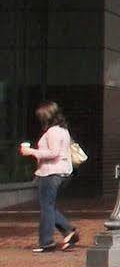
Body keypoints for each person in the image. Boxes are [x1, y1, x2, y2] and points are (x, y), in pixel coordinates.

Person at [17, 102, 79, 253]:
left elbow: (53, 153)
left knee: (46, 207)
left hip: (51, 172)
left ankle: (46, 242)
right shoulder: (63, 130)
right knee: (48, 206)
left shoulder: (52, 132)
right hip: (61, 171)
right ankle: (68, 231)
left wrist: (31, 151)